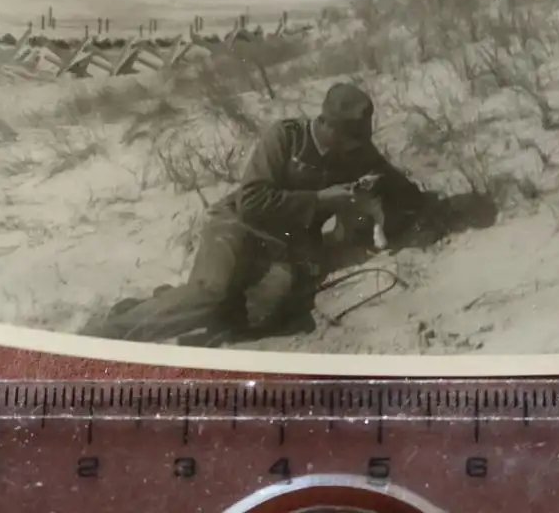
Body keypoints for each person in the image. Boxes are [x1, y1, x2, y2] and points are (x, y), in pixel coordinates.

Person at [79, 82, 433, 344]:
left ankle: (162, 303)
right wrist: (322, 199)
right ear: (326, 124)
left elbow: (400, 187)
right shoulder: (285, 137)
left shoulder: (357, 151)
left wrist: (410, 205)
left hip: (287, 246)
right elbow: (252, 199)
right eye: (350, 138)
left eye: (359, 140)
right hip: (237, 226)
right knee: (211, 292)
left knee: (262, 311)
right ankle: (108, 335)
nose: (356, 148)